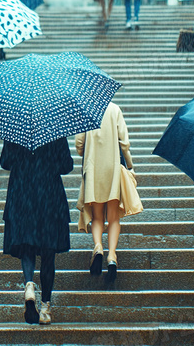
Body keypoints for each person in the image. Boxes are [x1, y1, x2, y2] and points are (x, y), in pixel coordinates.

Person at [0, 137, 73, 325]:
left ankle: (29, 285)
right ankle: (46, 307)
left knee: (27, 243)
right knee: (48, 251)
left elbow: (5, 162)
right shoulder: (55, 129)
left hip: (22, 192)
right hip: (49, 194)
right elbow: (66, 165)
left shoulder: (15, 128)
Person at [75, 102, 134, 282]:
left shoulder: (85, 109)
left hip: (93, 168)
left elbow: (79, 142)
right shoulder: (115, 109)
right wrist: (129, 164)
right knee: (113, 217)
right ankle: (112, 256)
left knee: (97, 216)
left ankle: (98, 246)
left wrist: (83, 152)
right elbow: (124, 141)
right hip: (113, 167)